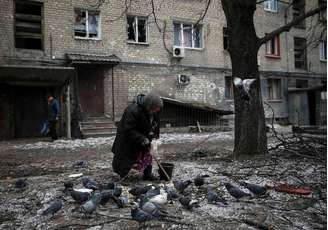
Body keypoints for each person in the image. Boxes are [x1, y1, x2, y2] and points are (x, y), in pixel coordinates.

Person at [112, 93, 163, 181]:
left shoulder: (154, 110)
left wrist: (155, 137)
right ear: (149, 106)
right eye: (154, 109)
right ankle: (122, 176)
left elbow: (156, 124)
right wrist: (142, 138)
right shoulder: (132, 110)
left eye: (157, 110)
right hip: (128, 139)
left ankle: (147, 174)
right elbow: (128, 129)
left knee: (148, 154)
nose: (156, 111)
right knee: (126, 158)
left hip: (145, 136)